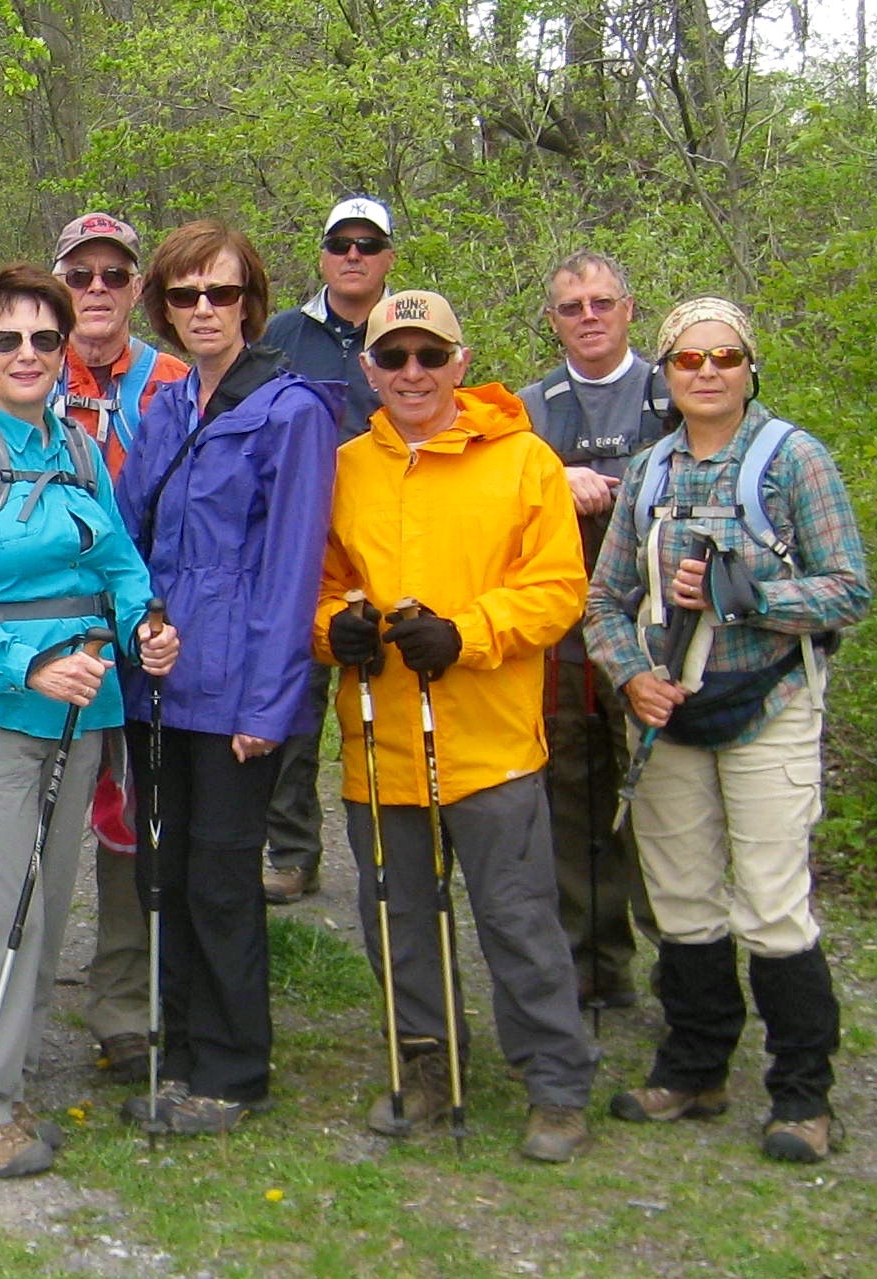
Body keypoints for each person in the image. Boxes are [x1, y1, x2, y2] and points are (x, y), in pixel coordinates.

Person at [0, 265, 172, 1181]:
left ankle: (2, 1077)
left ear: (62, 352)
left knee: (46, 909)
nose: (25, 354)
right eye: (5, 339)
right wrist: (27, 664)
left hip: (83, 712)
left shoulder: (80, 450)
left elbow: (121, 561)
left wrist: (144, 625)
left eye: (42, 340)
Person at [584, 297, 870, 1164]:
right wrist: (631, 676)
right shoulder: (648, 472)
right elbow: (602, 602)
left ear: (750, 366)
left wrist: (743, 595)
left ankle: (800, 1093)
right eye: (686, 360)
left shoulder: (793, 462)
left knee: (772, 906)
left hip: (769, 704)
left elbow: (847, 588)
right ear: (665, 375)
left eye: (723, 357)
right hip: (668, 714)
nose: (705, 372)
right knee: (680, 902)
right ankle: (694, 1065)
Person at [315, 289, 596, 1163]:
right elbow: (317, 588)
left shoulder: (523, 462)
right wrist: (336, 630)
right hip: (380, 739)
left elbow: (557, 588)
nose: (410, 373)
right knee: (398, 914)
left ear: (458, 363)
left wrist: (465, 633)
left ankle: (554, 1081)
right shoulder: (344, 466)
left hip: (491, 739)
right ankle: (425, 1063)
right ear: (367, 370)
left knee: (516, 916)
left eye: (428, 356)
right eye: (392, 357)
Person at [112, 221, 336, 1133]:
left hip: (236, 687)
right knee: (162, 872)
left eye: (222, 292)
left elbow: (291, 570)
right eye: (185, 294)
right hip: (158, 684)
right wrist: (135, 627)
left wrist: (269, 703)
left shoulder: (291, 411)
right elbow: (127, 538)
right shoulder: (164, 409)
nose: (203, 310)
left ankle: (234, 1069)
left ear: (250, 301)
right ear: (163, 306)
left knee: (220, 879)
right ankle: (180, 1049)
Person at [48, 212, 193, 1083]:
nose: (95, 291)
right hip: (48, 640)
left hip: (145, 633)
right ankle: (10, 989)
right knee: (26, 820)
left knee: (132, 823)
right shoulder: (25, 367)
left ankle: (123, 1002)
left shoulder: (173, 381)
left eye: (113, 275)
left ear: (138, 288)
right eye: (79, 276)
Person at [516, 252, 670, 1012]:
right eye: (571, 306)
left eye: (601, 301)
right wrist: (554, 479)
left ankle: (685, 974)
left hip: (661, 638)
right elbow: (496, 502)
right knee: (572, 803)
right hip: (562, 642)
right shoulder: (528, 409)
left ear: (628, 308)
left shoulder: (677, 390)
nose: (588, 316)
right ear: (551, 320)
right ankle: (590, 967)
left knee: (661, 804)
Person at [260, 195, 396, 905]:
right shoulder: (283, 334)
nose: (352, 255)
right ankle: (291, 849)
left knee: (394, 689)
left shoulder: (411, 331)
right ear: (320, 255)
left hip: (393, 538)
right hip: (303, 540)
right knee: (297, 698)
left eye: (367, 244)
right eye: (339, 242)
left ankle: (393, 846)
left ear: (386, 259)